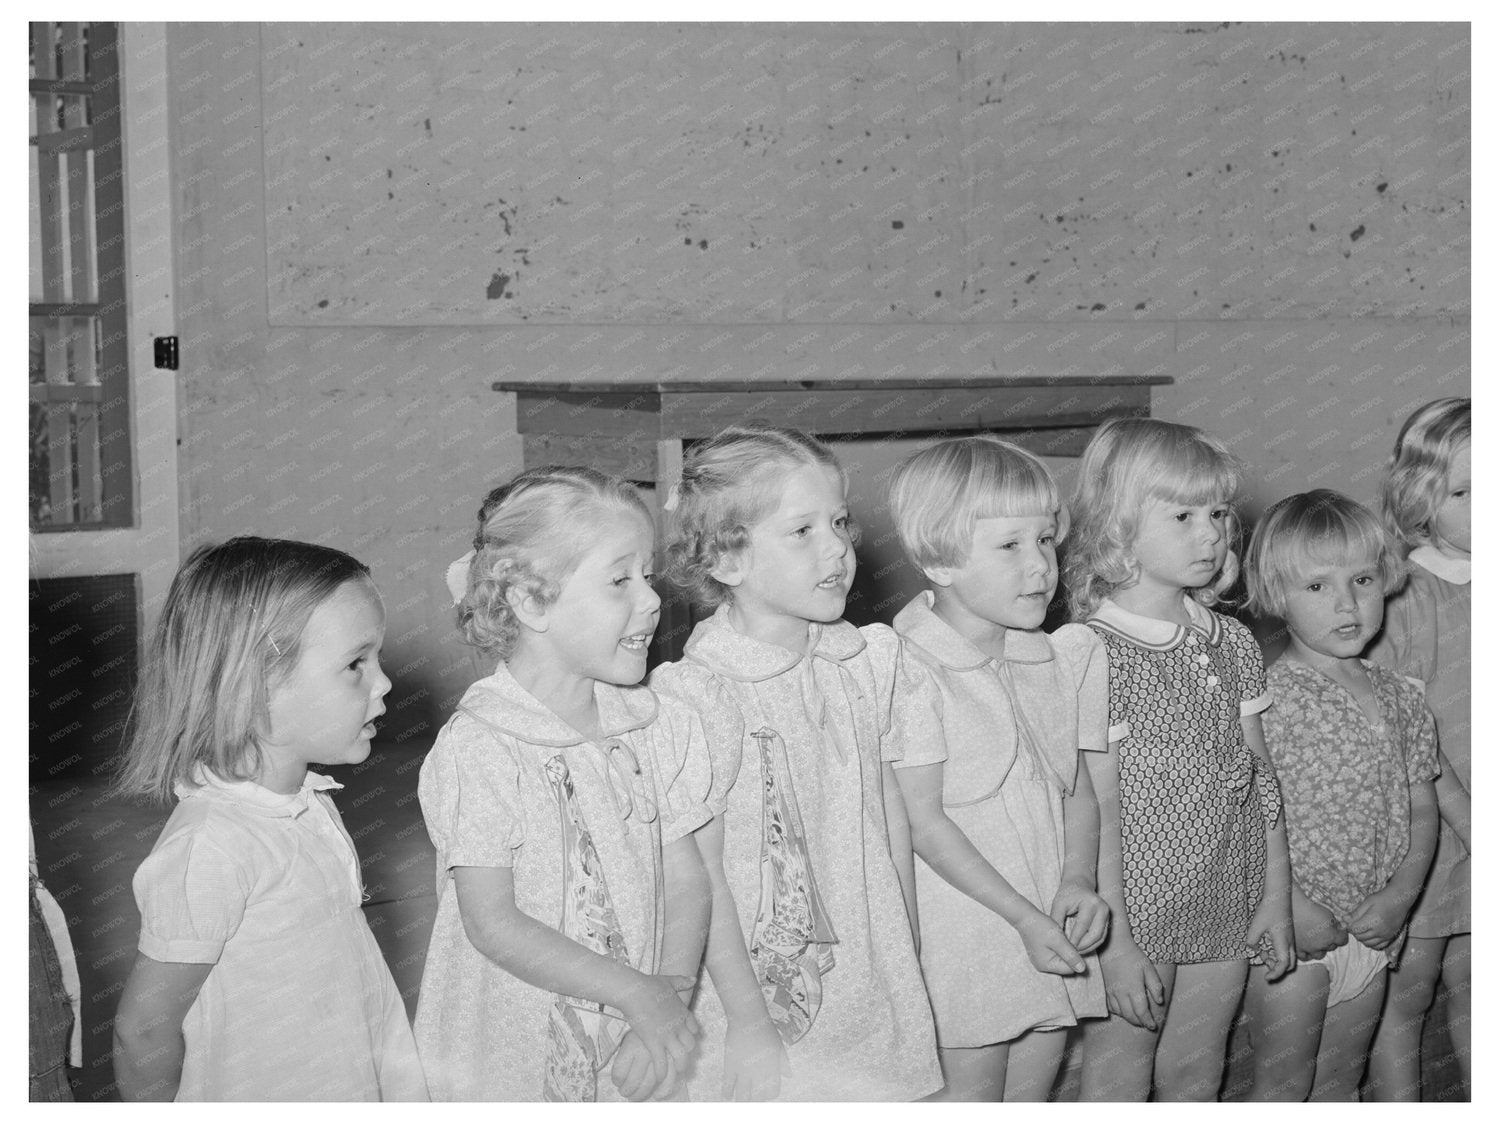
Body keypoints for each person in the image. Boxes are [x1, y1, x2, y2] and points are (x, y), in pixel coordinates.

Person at [651, 422, 941, 1102]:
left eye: (838, 522)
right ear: (727, 558)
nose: (837, 547)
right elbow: (703, 879)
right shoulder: (697, 696)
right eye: (802, 531)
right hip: (757, 990)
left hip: (873, 976)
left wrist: (905, 946)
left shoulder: (865, 660)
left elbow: (890, 817)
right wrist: (749, 1022)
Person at [416, 467, 712, 1102]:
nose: (652, 600)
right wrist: (638, 995)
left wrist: (666, 999)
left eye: (647, 575)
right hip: (521, 1043)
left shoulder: (651, 724)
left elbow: (686, 879)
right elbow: (493, 923)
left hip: (639, 1027)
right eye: (620, 580)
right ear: (531, 600)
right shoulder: (483, 745)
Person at [111, 537, 427, 1101]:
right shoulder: (212, 845)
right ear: (255, 685)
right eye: (356, 663)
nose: (383, 683)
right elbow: (144, 1032)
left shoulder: (307, 803)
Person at [1056, 417, 1294, 1101]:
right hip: (1134, 908)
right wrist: (1116, 946)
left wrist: (1274, 897)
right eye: (1183, 516)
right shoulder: (1093, 651)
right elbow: (1093, 809)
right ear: (1117, 524)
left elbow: (1261, 780)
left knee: (1197, 1070)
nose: (1210, 533)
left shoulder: (1233, 642)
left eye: (1218, 513)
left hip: (1228, 894)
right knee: (1118, 1076)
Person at [883, 436, 1109, 1102]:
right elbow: (924, 823)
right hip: (964, 937)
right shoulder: (907, 669)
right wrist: (1023, 918)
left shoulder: (1052, 659)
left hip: (1047, 923)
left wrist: (1077, 879)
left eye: (1045, 540)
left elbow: (1075, 788)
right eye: (1009, 545)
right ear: (939, 560)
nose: (1040, 566)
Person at [1241, 490, 1438, 1100]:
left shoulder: (1402, 695)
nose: (1347, 603)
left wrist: (1399, 899)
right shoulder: (1265, 700)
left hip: (1374, 930)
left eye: (1362, 580)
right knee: (1282, 1085)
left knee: (1340, 1082)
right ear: (1277, 594)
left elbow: (1423, 808)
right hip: (1295, 933)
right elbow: (1244, 814)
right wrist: (1291, 905)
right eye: (1317, 586)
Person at [1364, 397, 1471, 1100]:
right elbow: (1399, 735)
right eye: (1464, 492)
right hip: (1429, 832)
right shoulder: (1404, 597)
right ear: (1420, 499)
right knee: (1407, 994)